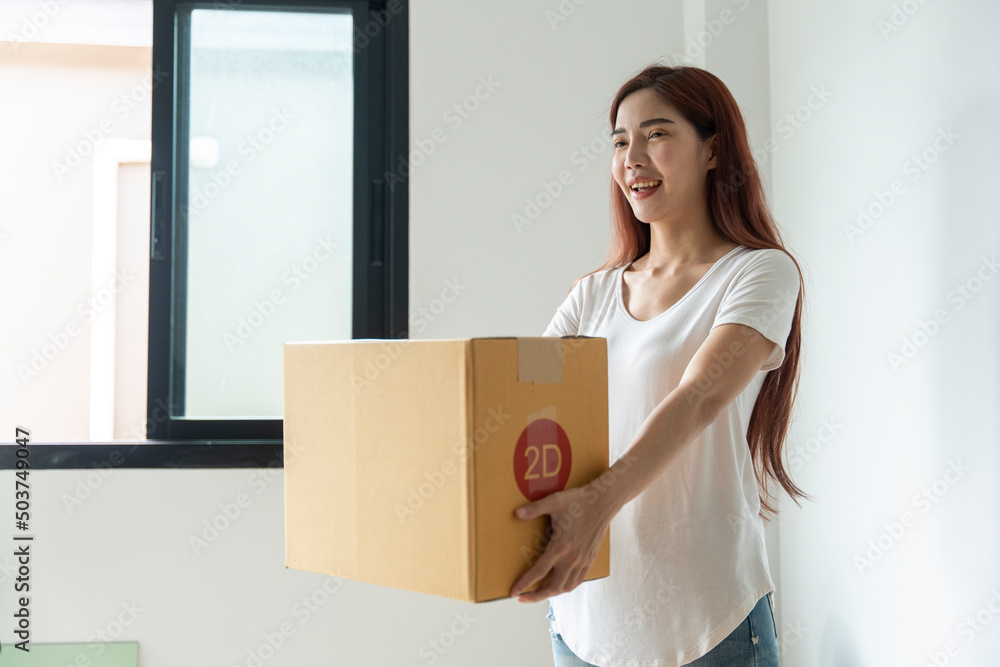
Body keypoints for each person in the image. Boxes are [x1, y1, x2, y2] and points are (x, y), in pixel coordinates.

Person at [507, 64, 813, 667]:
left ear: (712, 150)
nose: (632, 158)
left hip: (707, 621)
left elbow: (699, 394)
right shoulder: (592, 294)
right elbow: (518, 405)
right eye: (620, 141)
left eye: (656, 134)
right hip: (584, 623)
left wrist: (596, 503)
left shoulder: (758, 273)